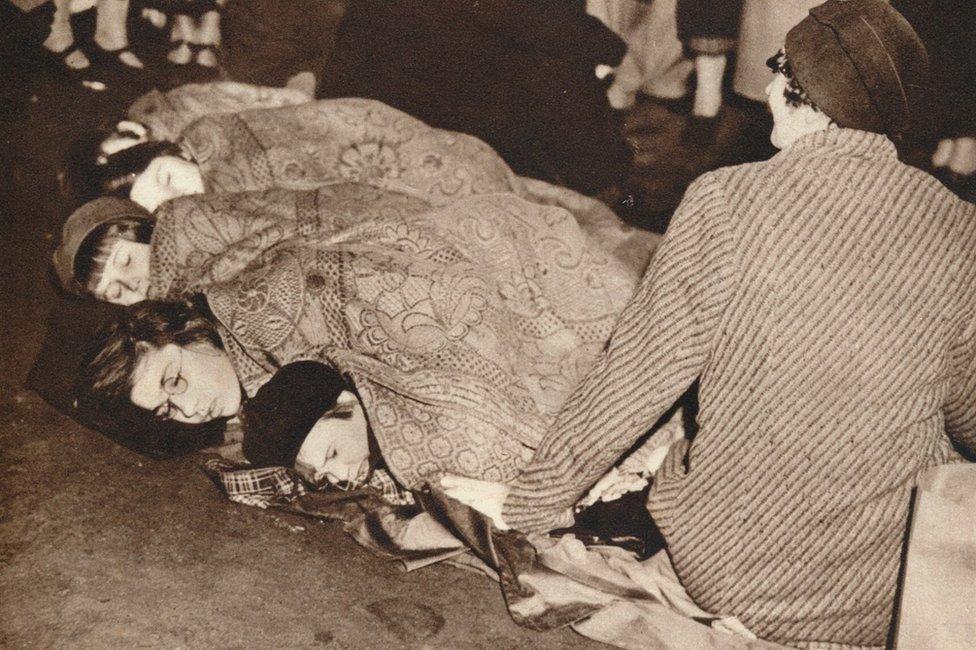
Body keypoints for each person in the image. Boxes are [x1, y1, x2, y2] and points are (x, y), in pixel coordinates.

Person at [442, 1, 976, 646]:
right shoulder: (960, 227)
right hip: (892, 589)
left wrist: (526, 508)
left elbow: (631, 382)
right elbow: (968, 417)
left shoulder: (726, 198)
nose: (771, 86)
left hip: (735, 571)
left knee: (683, 441)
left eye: (779, 69)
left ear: (795, 90)